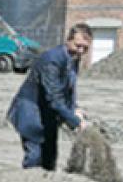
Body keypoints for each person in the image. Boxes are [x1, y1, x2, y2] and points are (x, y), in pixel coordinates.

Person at [7, 23, 92, 171]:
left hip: (49, 113)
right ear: (68, 40)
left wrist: (75, 108)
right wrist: (75, 121)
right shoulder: (52, 59)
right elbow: (54, 97)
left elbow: (68, 89)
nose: (81, 51)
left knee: (50, 157)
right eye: (78, 45)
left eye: (85, 48)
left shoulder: (73, 59)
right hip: (31, 112)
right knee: (35, 156)